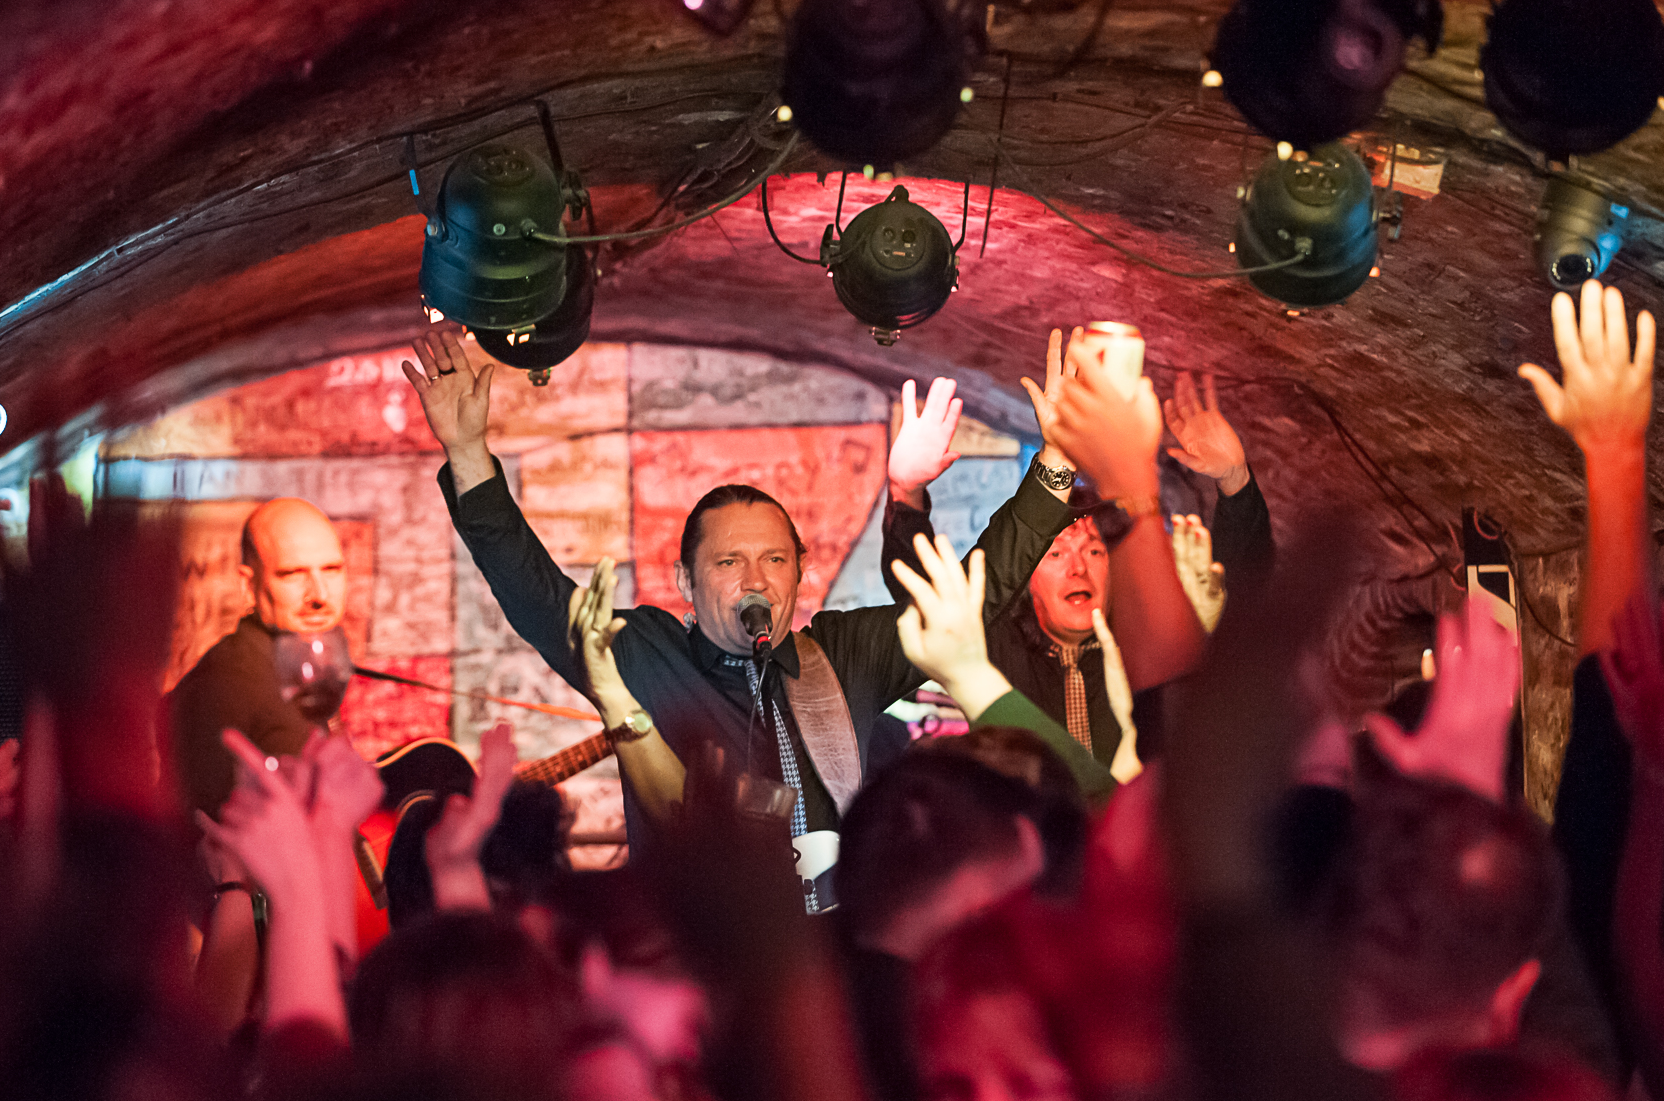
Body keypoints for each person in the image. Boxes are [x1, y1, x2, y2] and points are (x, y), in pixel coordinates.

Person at [403, 326, 1076, 871]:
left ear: (799, 572)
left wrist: (1054, 468)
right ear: (686, 584)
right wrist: (467, 452)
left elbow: (971, 596)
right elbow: (533, 590)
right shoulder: (643, 653)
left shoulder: (844, 654)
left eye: (775, 559)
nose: (756, 577)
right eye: (729, 561)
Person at [886, 350, 1272, 773]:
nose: (1078, 568)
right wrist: (906, 494)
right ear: (1025, 577)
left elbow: (1244, 601)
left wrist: (1235, 480)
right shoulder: (996, 644)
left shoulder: (1139, 641)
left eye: (1092, 551)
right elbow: (918, 595)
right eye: (1056, 553)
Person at [169, 497, 349, 819]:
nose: (320, 595)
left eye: (332, 570)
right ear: (248, 584)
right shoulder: (223, 684)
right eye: (292, 574)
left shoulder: (307, 654)